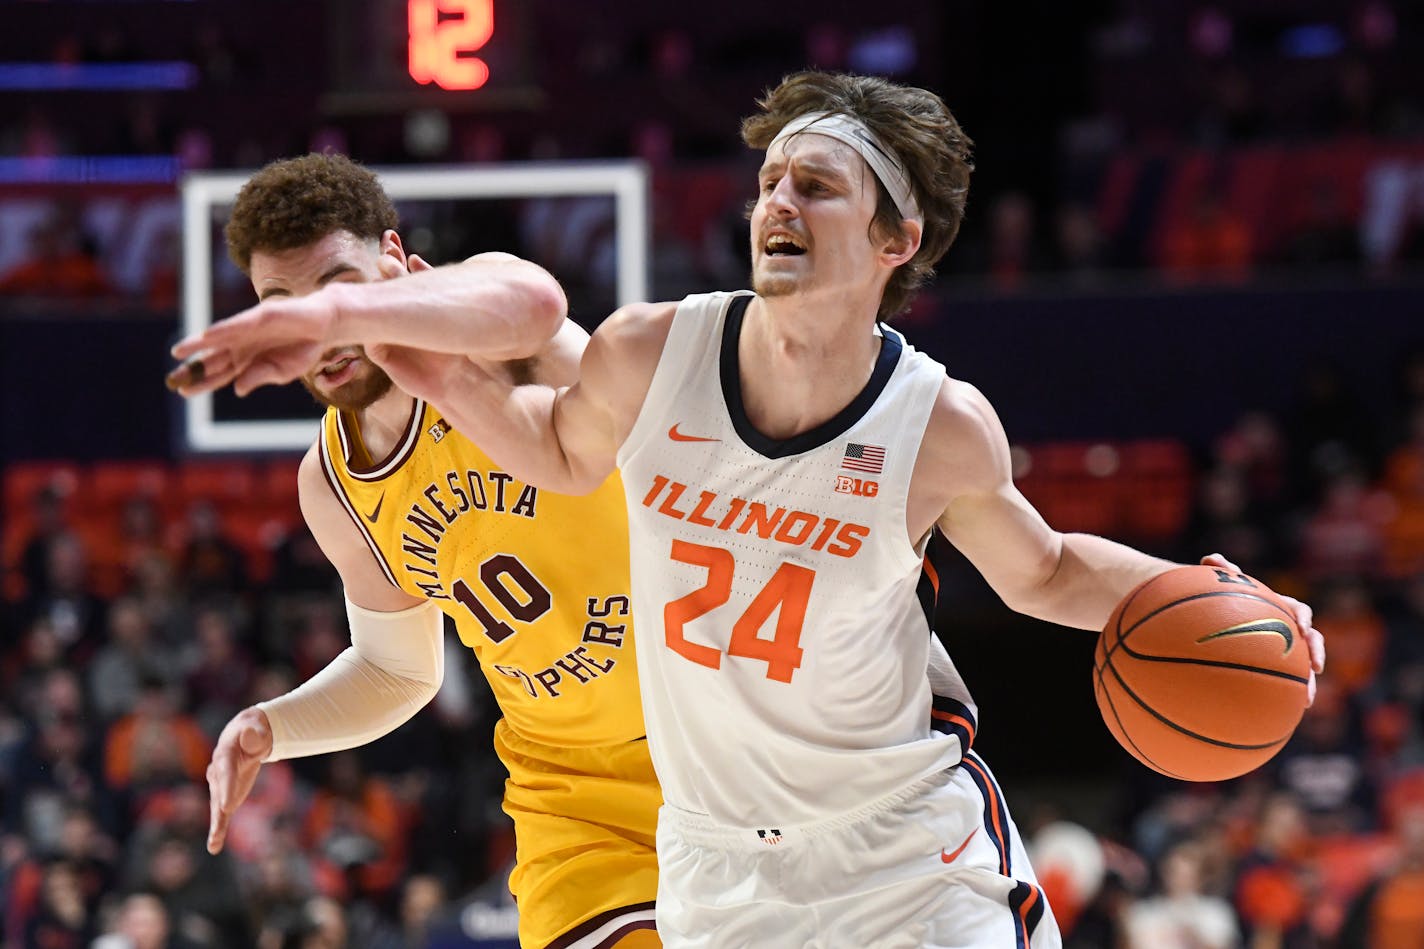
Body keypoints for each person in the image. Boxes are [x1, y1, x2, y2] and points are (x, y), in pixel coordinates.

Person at [172, 76, 1326, 947]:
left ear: (895, 238)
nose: (777, 198)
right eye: (768, 179)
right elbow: (513, 493)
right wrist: (277, 719)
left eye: (814, 184)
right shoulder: (646, 359)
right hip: (685, 839)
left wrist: (1217, 596)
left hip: (891, 830)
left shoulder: (932, 421)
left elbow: (1049, 568)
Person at [168, 153, 660, 948]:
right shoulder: (331, 481)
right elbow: (400, 669)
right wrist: (274, 725)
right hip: (571, 786)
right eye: (279, 303)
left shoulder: (491, 334)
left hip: (715, 719)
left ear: (396, 260)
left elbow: (535, 304)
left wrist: (351, 317)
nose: (310, 324)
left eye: (335, 285)